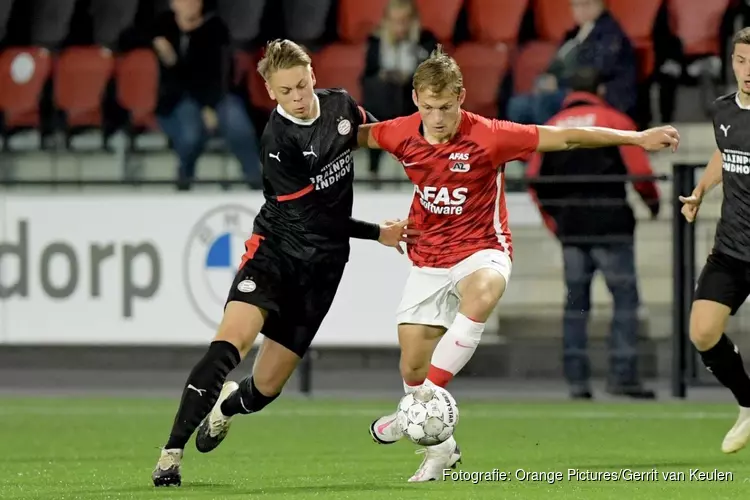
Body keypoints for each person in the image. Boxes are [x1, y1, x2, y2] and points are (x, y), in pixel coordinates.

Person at [357, 46, 679, 482]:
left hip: (482, 249)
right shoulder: (397, 133)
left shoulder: (489, 135)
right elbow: (351, 135)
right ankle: (440, 450)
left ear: (462, 97)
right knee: (411, 367)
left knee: (484, 291)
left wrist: (636, 138)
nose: (438, 118)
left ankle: (415, 406)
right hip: (428, 258)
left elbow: (566, 137)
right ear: (415, 99)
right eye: (429, 107)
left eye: (447, 107)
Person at [151, 39, 418, 487]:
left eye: (301, 85)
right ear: (271, 94)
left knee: (265, 389)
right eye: (285, 92)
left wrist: (423, 146)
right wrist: (378, 232)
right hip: (275, 254)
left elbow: (373, 133)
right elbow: (316, 217)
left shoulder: (340, 105)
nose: (297, 97)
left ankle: (226, 409)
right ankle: (170, 455)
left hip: (322, 269)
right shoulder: (277, 143)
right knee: (226, 349)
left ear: (313, 73)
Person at [526, 67, 660, 400]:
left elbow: (533, 179)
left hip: (572, 231)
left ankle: (577, 381)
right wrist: (652, 204)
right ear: (599, 88)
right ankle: (623, 377)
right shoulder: (614, 119)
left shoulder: (551, 126)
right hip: (612, 225)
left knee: (576, 305)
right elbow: (640, 171)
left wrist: (553, 222)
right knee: (625, 302)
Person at [680, 27, 750, 455]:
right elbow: (726, 153)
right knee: (703, 333)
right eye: (741, 61)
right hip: (732, 248)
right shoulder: (723, 110)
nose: (748, 71)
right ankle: (748, 403)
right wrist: (702, 191)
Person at [153, 0, 262, 191]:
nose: (190, 4)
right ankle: (184, 180)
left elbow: (217, 76)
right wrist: (157, 42)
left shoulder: (215, 28)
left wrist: (208, 105)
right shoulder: (162, 26)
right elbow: (127, 37)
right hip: (177, 98)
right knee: (191, 134)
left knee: (237, 122)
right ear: (172, 4)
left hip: (213, 95)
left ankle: (256, 180)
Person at [506, 0, 636, 125]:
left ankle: (554, 145)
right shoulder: (573, 35)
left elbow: (596, 71)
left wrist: (558, 82)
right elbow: (556, 65)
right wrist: (546, 78)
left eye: (586, 4)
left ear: (600, 4)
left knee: (545, 102)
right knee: (517, 105)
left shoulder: (610, 33)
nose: (581, 10)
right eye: (575, 5)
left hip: (596, 92)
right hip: (565, 89)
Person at [361, 0, 437, 179]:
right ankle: (377, 162)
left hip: (414, 97)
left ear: (413, 21)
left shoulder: (426, 40)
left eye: (404, 20)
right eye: (395, 21)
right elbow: (368, 75)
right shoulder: (376, 41)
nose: (400, 26)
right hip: (383, 97)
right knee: (378, 89)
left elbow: (434, 73)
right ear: (386, 21)